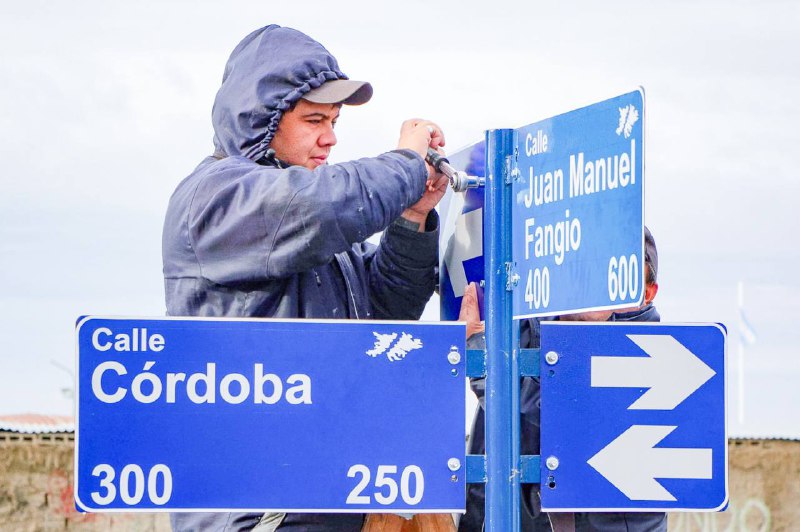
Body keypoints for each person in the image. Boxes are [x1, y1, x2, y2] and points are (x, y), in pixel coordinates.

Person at [162, 25, 449, 532]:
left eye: (334, 120)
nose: (330, 137)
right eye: (314, 119)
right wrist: (405, 165)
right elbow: (325, 207)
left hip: (323, 497)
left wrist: (413, 217)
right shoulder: (217, 197)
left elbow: (385, 311)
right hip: (257, 513)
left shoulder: (306, 216)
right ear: (260, 121)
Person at [459, 227, 665, 531]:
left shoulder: (656, 354)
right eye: (588, 264)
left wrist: (483, 358)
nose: (597, 283)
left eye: (617, 273)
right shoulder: (520, 331)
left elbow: (570, 416)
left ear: (647, 294)